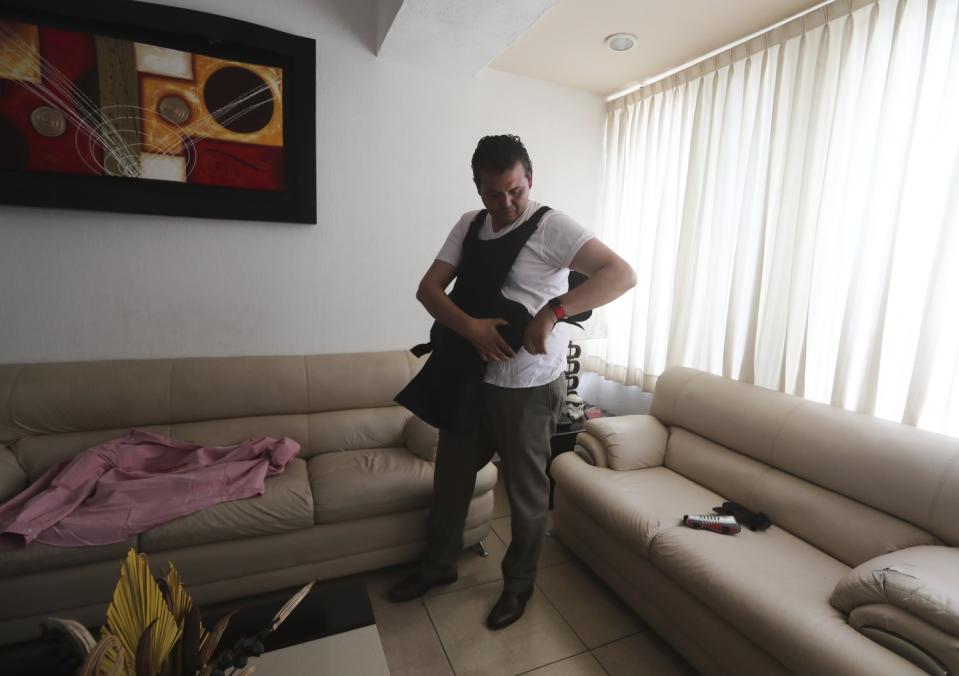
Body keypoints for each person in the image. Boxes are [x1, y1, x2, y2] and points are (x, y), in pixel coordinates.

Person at [391, 134, 636, 630]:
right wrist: (471, 328)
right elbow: (428, 289)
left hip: (526, 386)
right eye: (492, 194)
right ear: (477, 187)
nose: (504, 204)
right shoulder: (469, 224)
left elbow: (621, 274)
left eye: (515, 192)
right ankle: (438, 568)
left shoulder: (554, 227)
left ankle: (518, 587)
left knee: (526, 496)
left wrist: (554, 311)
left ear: (530, 180)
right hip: (468, 376)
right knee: (451, 481)